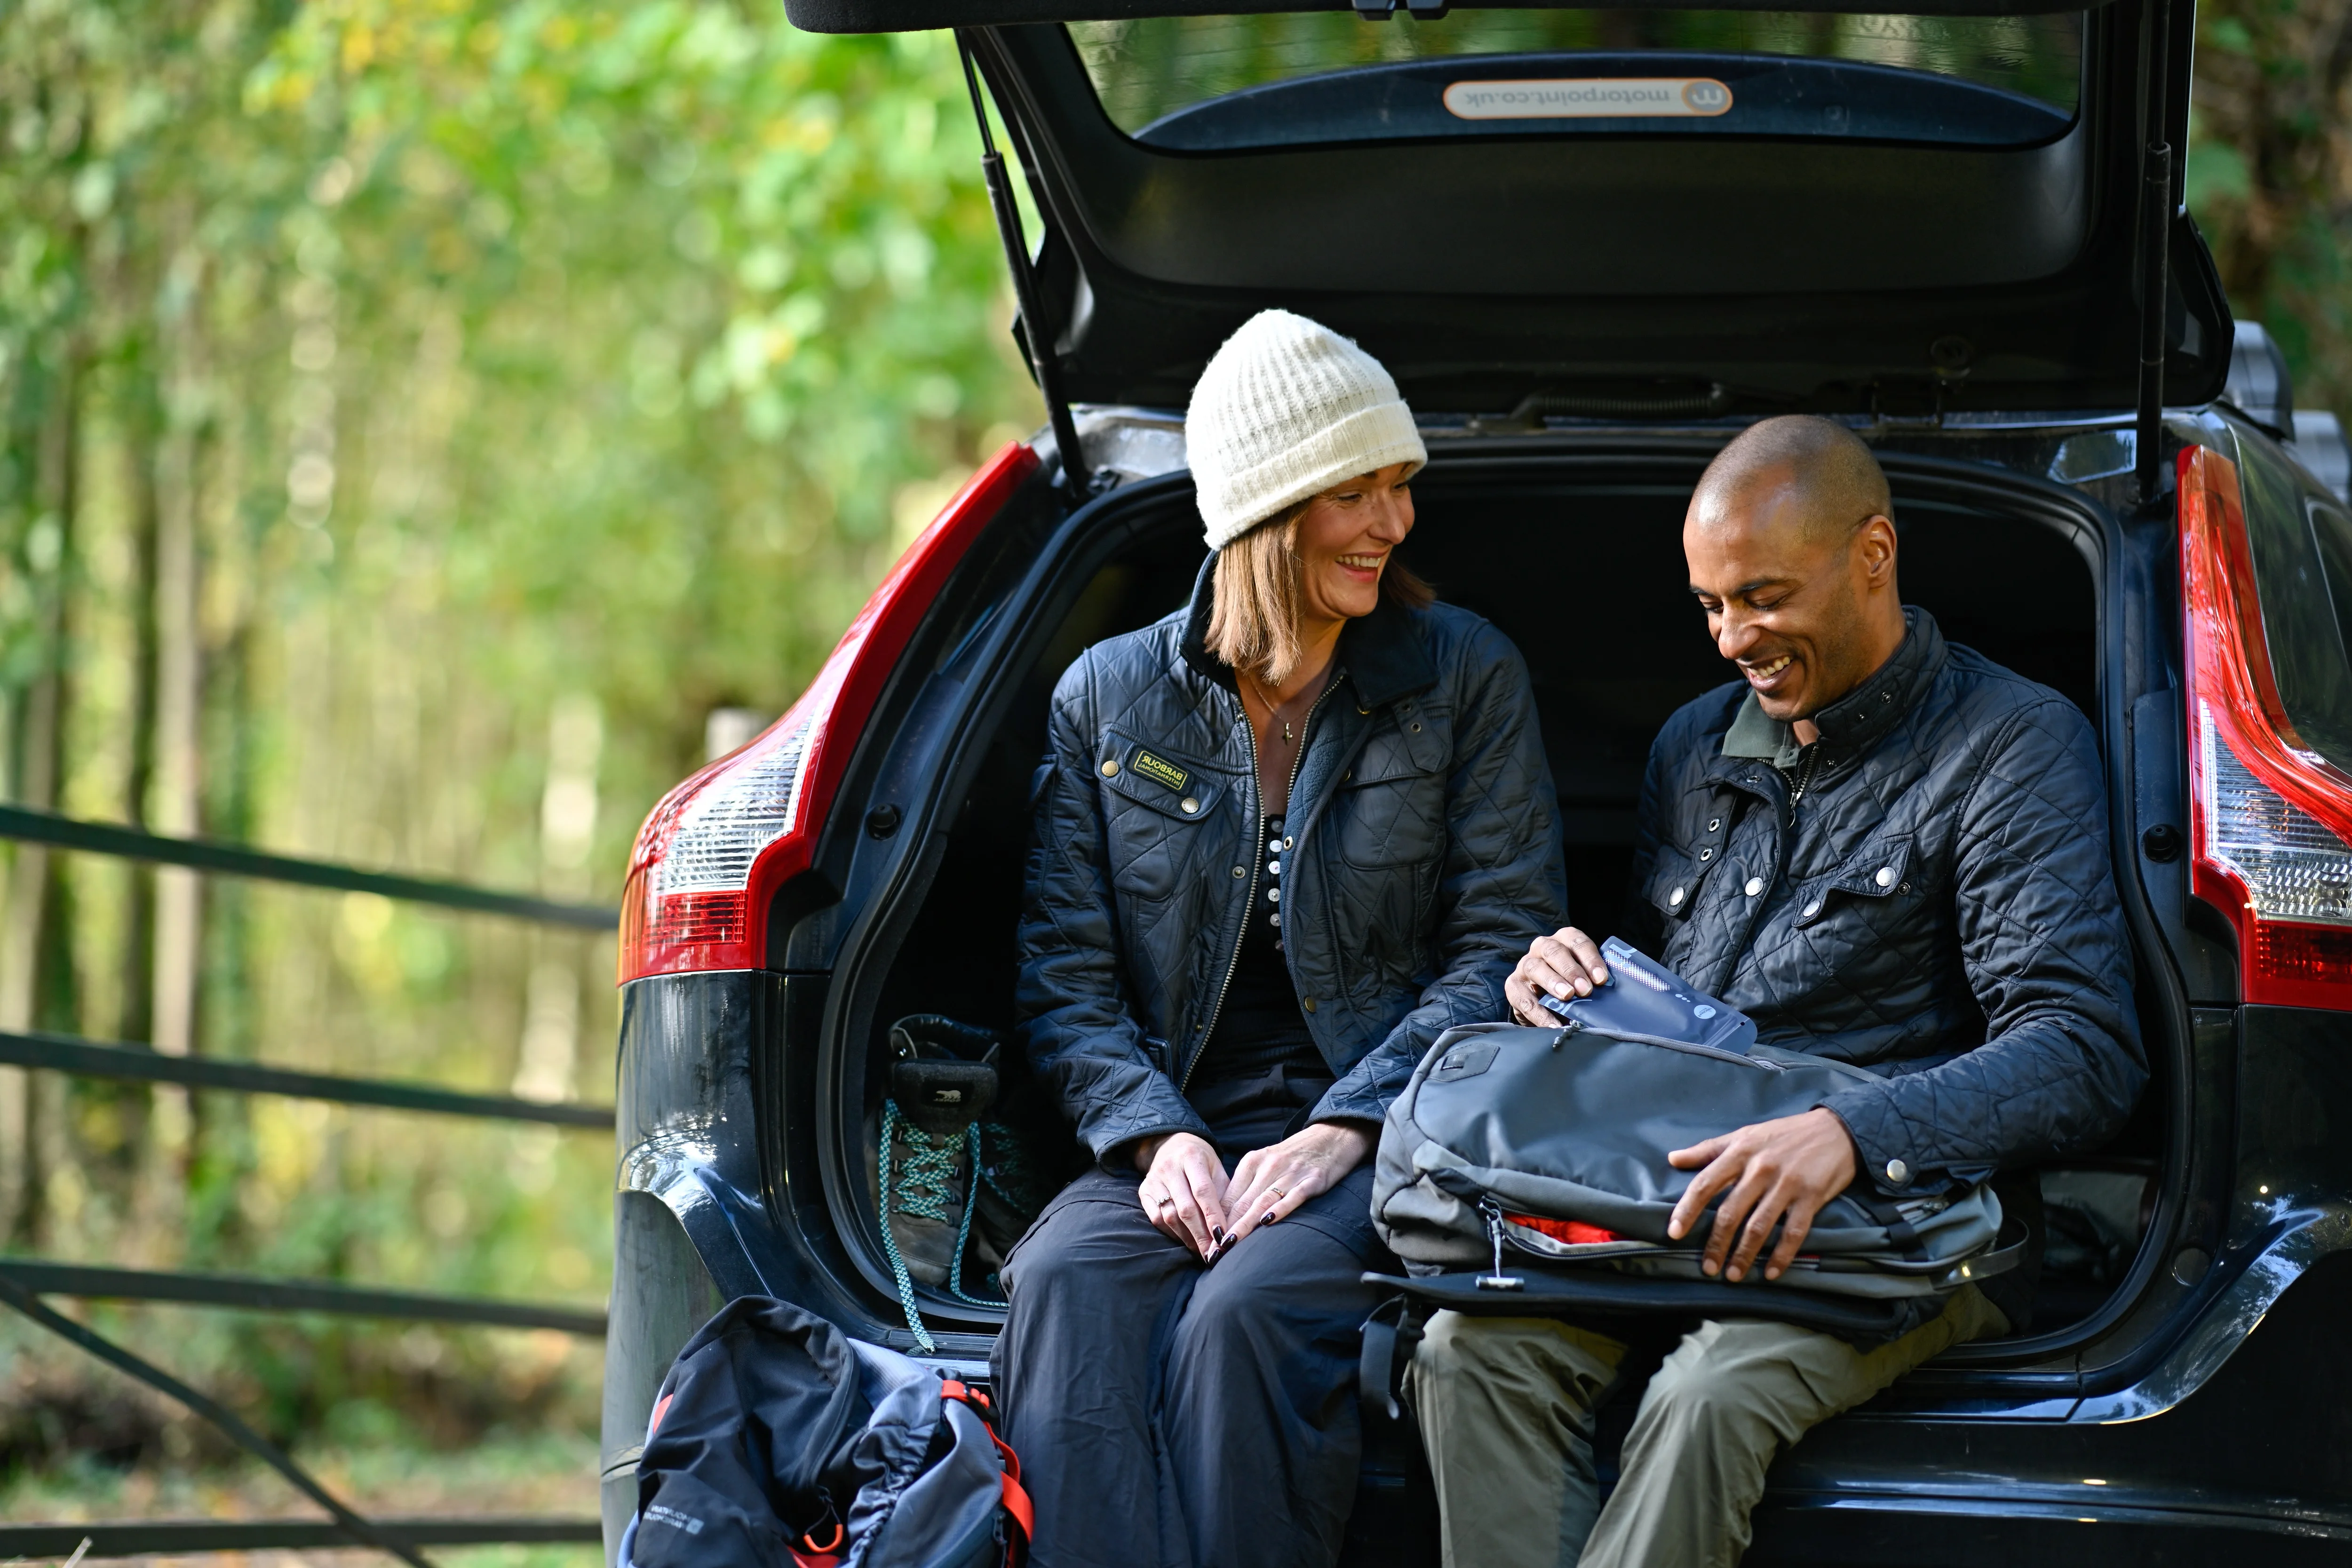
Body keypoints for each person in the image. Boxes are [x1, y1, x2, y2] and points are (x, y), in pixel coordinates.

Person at [1407, 414, 2146, 1568]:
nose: (1731, 637)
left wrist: (1854, 1131)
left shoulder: (2012, 746)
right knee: (1466, 1349)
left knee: (1707, 1395)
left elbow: (2081, 1048)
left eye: (1761, 596)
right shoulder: (1691, 746)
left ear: (1872, 554)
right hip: (1674, 1202)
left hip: (1901, 1228)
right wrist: (1567, 976)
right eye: (1709, 605)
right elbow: (1685, 1008)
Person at [992, 309, 1566, 1568]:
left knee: (1240, 1319)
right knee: (1064, 1288)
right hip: (1173, 1121)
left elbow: (1501, 950)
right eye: (1359, 491)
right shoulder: (1108, 694)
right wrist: (1152, 1134)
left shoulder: (1463, 674)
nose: (1396, 523)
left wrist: (1342, 1127)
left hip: (1396, 1122)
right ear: (1272, 508)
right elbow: (1067, 979)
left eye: (1401, 486)